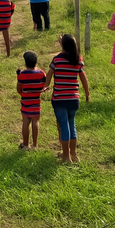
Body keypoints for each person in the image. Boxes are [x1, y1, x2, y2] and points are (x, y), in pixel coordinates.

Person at [45, 34, 90, 163]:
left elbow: (49, 74)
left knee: (64, 126)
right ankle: (74, 154)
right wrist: (87, 93)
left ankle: (66, 156)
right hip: (74, 99)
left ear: (63, 45)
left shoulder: (57, 59)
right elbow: (83, 78)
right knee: (72, 125)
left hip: (59, 99)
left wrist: (46, 86)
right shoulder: (78, 59)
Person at [16, 51, 47, 150]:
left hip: (25, 101)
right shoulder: (41, 73)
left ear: (25, 63)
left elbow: (19, 88)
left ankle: (25, 144)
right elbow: (44, 85)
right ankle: (35, 145)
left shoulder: (22, 74)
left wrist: (22, 94)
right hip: (36, 102)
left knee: (25, 122)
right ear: (36, 61)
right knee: (35, 121)